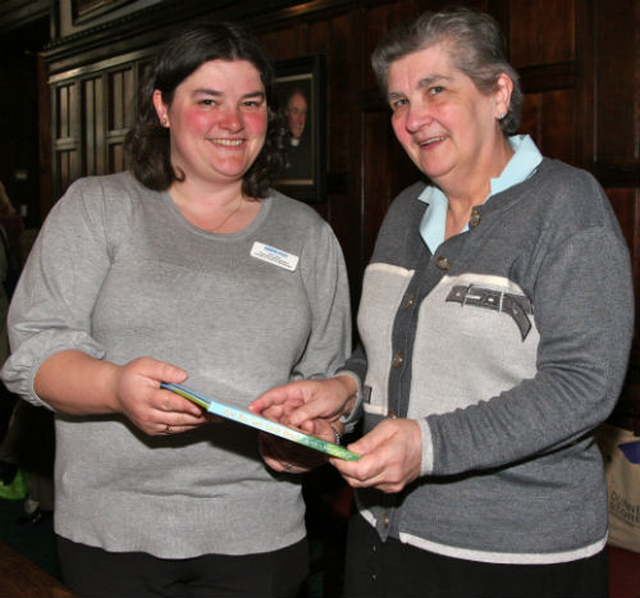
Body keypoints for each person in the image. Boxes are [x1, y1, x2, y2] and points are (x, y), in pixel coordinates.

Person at [250, 7, 635, 598]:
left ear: (498, 93)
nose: (414, 118)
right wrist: (344, 394)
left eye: (436, 90)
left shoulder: (566, 205)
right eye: (400, 102)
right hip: (381, 538)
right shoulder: (407, 210)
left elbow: (584, 385)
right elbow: (385, 355)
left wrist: (429, 446)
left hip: (511, 560)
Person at [1, 20, 351, 598]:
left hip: (258, 532)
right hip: (115, 531)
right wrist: (115, 388)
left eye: (251, 103)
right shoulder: (99, 207)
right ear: (163, 107)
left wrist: (311, 437)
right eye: (207, 100)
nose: (232, 123)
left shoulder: (308, 234)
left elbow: (326, 379)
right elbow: (34, 356)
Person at [284, 88, 312, 180]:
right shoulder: (276, 152)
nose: (301, 120)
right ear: (286, 113)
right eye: (295, 112)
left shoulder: (310, 153)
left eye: (303, 113)